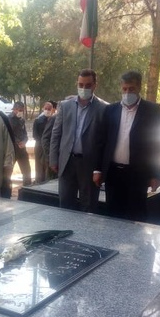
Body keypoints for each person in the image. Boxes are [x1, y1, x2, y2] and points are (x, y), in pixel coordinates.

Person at [95, 71, 160, 221]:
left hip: (138, 174)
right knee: (113, 214)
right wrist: (98, 169)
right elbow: (102, 141)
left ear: (139, 87)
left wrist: (157, 175)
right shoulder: (110, 110)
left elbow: (158, 145)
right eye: (124, 89)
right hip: (113, 173)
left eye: (131, 89)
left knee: (136, 215)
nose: (127, 93)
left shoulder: (152, 110)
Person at [49, 69, 107, 213]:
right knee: (65, 205)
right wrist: (53, 159)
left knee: (88, 207)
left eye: (88, 85)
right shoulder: (65, 105)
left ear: (95, 85)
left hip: (89, 165)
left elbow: (104, 142)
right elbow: (56, 134)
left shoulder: (104, 108)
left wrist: (99, 169)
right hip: (67, 162)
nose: (84, 88)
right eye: (81, 85)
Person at [8, 101, 32, 186]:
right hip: (12, 150)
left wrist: (24, 141)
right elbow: (9, 134)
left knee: (27, 171)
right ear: (14, 109)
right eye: (20, 110)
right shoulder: (8, 119)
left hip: (22, 150)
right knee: (8, 172)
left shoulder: (22, 120)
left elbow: (25, 133)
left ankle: (27, 188)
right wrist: (18, 142)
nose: (21, 112)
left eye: (22, 110)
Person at [33, 100, 56, 183]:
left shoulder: (54, 120)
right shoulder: (38, 120)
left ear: (52, 109)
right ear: (43, 109)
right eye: (45, 109)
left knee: (48, 166)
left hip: (49, 147)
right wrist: (43, 142)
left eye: (49, 109)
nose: (47, 110)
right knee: (39, 167)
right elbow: (35, 135)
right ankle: (38, 182)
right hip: (39, 146)